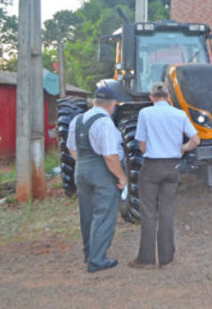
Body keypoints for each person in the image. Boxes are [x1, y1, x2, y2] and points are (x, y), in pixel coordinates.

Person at [129, 82, 201, 269]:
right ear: (169, 97)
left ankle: (146, 259)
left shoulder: (145, 113)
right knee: (167, 212)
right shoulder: (179, 114)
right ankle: (167, 259)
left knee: (148, 211)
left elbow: (142, 146)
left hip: (151, 167)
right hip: (172, 166)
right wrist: (182, 148)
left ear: (151, 98)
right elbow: (196, 140)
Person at [67, 87, 127, 273]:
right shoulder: (104, 123)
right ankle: (98, 260)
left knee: (87, 215)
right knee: (104, 215)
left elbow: (71, 148)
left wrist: (84, 164)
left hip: (81, 170)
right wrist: (121, 177)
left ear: (94, 101)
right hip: (102, 173)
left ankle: (89, 254)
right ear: (112, 105)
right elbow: (110, 156)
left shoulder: (77, 120)